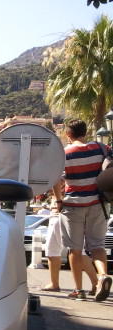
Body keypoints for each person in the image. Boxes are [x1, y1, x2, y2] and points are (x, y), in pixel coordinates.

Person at [52, 119, 112, 302]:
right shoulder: (101, 148)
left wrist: (58, 200)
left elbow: (56, 180)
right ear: (85, 132)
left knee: (74, 250)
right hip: (98, 203)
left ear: (68, 134)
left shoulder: (64, 154)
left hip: (73, 206)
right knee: (97, 246)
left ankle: (79, 290)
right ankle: (102, 276)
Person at [41, 189, 98, 298]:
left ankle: (56, 284)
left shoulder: (60, 174)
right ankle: (95, 283)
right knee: (76, 251)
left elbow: (59, 184)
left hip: (61, 213)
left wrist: (56, 198)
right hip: (70, 213)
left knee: (57, 251)